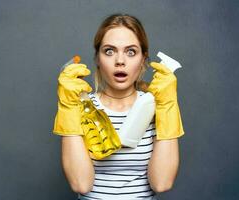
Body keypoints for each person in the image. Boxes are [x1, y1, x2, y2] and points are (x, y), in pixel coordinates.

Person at [53, 13, 185, 200]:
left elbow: (162, 183)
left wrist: (167, 106)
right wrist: (68, 108)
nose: (120, 61)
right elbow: (81, 184)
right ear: (98, 59)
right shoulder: (80, 107)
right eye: (109, 51)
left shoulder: (158, 107)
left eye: (131, 51)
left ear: (143, 59)